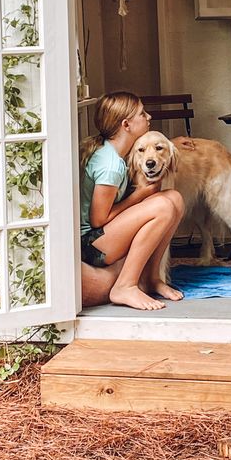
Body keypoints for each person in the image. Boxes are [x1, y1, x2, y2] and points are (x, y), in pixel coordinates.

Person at [79, 91, 186, 311]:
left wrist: (169, 144)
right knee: (163, 206)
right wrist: (139, 196)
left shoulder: (117, 152)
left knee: (174, 198)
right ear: (126, 124)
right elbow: (98, 220)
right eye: (142, 113)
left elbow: (147, 149)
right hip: (91, 243)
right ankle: (125, 286)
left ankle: (152, 278)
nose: (148, 117)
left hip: (102, 235)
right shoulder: (110, 165)